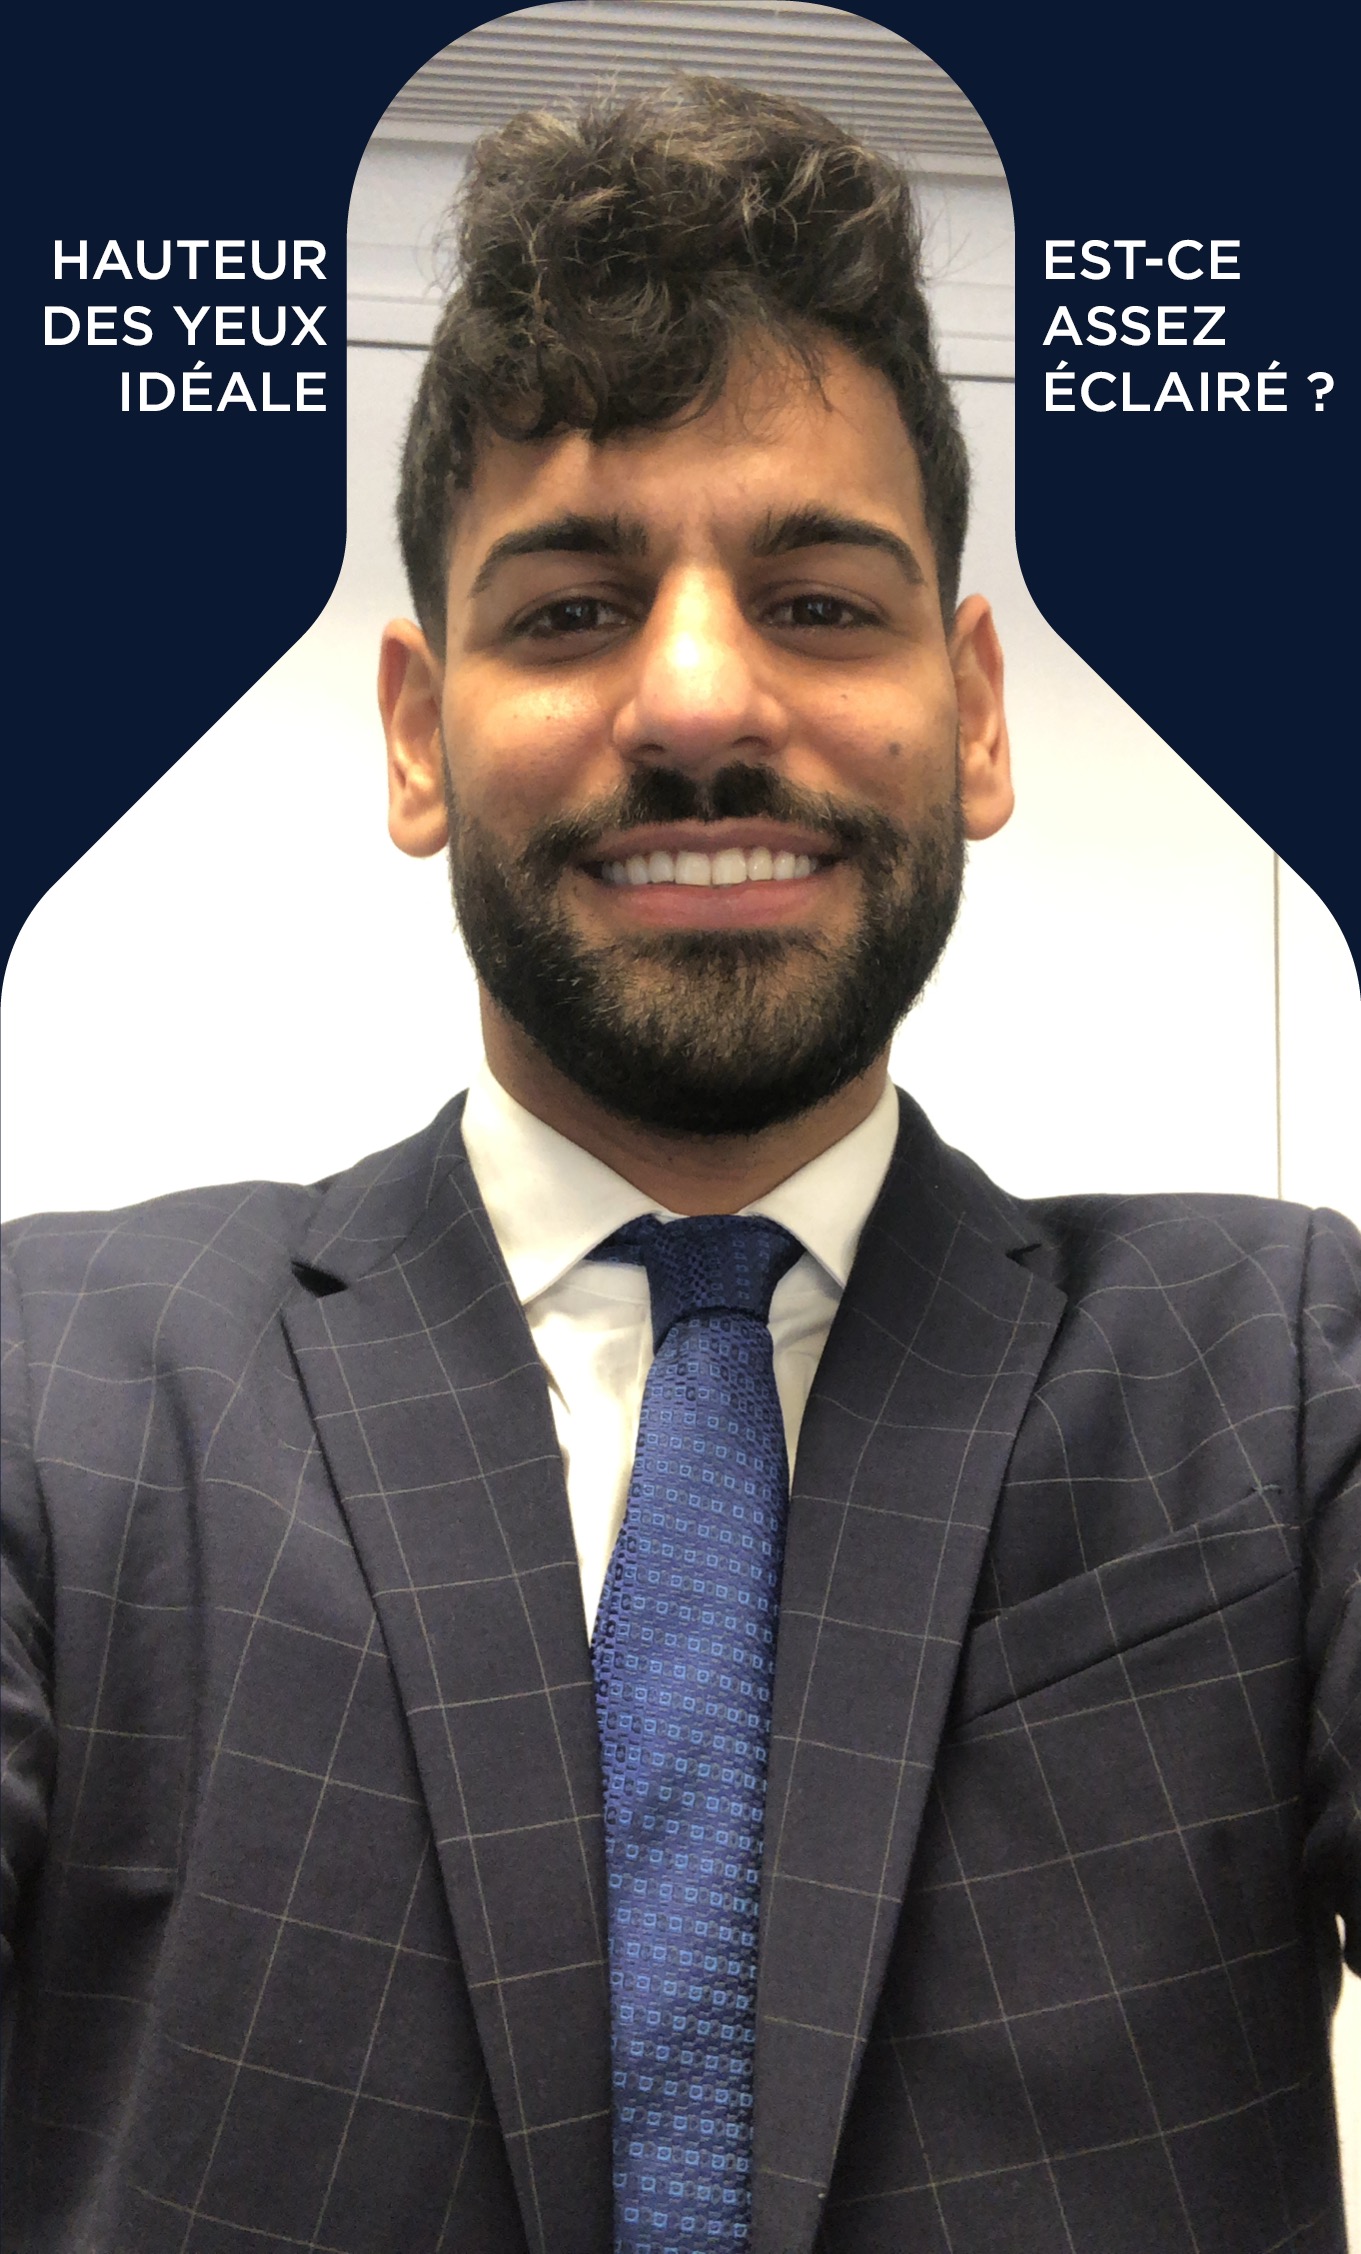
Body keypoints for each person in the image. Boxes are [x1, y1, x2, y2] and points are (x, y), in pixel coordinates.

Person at [2, 76, 1356, 2254]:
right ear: (416, 735)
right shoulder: (52, 1383)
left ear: (975, 712)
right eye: (570, 612)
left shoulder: (1277, 1370)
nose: (704, 701)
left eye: (818, 602)